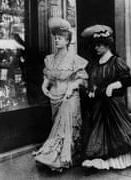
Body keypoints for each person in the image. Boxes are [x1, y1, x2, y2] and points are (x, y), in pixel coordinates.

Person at [81, 25, 131, 170]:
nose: (97, 48)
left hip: (114, 104)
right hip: (99, 105)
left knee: (120, 130)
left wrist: (113, 85)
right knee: (99, 132)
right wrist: (91, 89)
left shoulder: (116, 61)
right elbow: (92, 81)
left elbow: (128, 80)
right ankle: (102, 158)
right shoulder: (95, 64)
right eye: (96, 45)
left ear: (107, 45)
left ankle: (122, 159)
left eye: (100, 45)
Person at [32, 17, 88, 171]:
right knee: (57, 126)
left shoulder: (74, 59)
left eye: (60, 38)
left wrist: (73, 86)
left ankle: (64, 158)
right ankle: (67, 155)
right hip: (54, 96)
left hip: (69, 97)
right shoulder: (50, 59)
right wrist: (45, 85)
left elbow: (83, 80)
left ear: (67, 41)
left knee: (65, 128)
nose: (57, 40)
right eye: (55, 38)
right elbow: (49, 76)